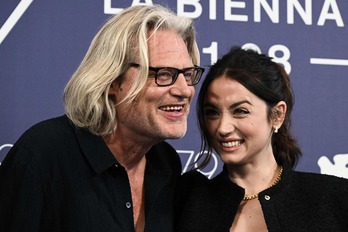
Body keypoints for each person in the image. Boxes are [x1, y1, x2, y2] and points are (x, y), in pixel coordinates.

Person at [0, 4, 204, 232]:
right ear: (113, 81)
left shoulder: (165, 163)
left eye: (187, 75)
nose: (185, 90)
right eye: (164, 74)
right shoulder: (43, 155)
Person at [176, 47, 348, 231]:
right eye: (212, 112)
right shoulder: (187, 202)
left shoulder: (333, 198)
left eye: (240, 111)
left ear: (277, 115)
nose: (222, 128)